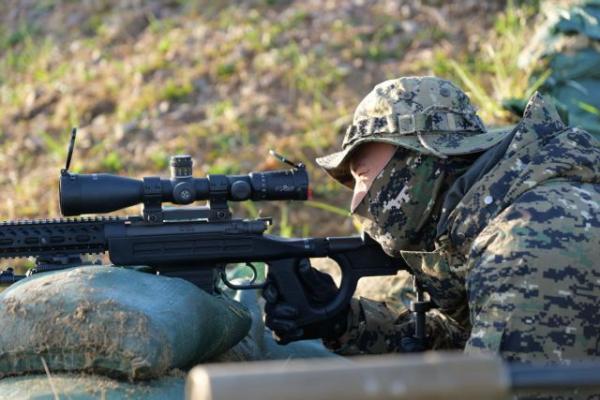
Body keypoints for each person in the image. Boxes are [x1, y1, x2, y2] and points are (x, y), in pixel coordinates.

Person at [263, 76, 600, 365]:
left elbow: (499, 384)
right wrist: (342, 322)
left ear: (423, 155)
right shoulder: (497, 222)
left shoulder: (526, 243)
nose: (356, 203)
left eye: (363, 175)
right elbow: (463, 341)